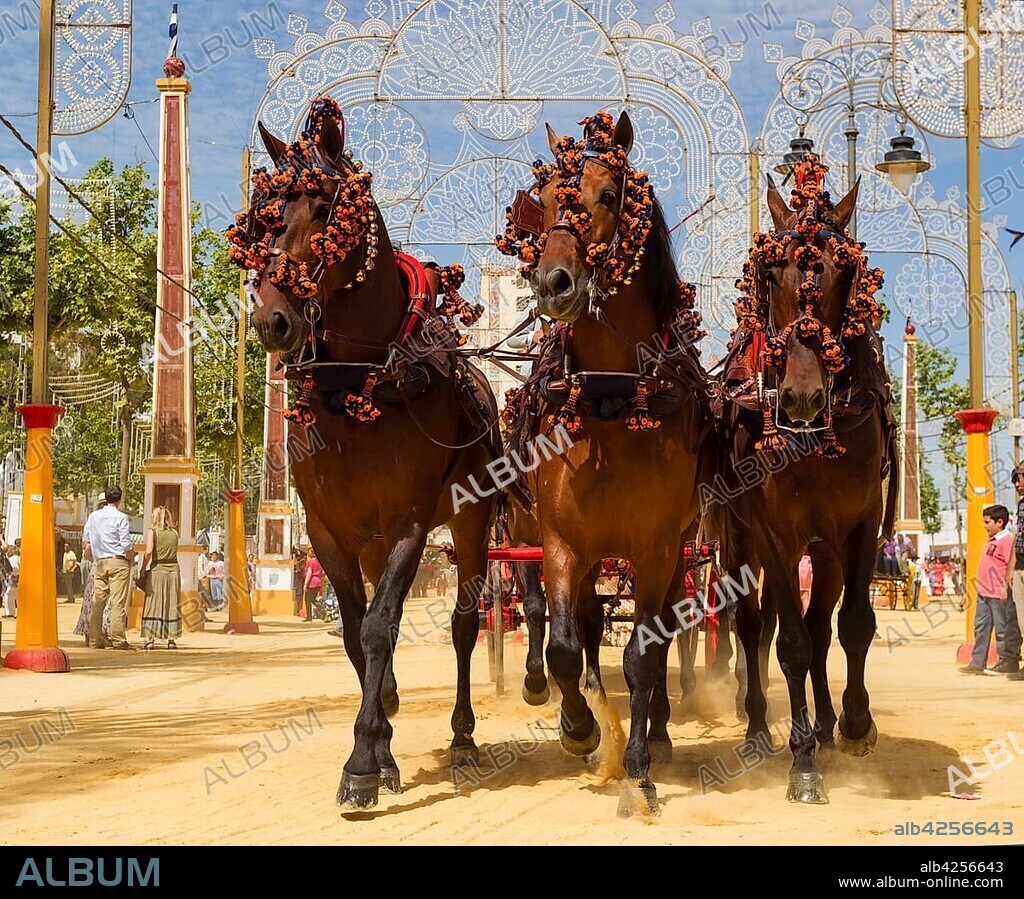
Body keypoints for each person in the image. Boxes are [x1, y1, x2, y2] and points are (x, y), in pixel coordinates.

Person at [960, 505, 1019, 675]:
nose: (985, 526)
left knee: (1002, 629)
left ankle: (1004, 661)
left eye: (987, 522)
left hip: (998, 594)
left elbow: (1010, 565)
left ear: (1000, 522)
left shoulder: (1007, 541)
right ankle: (978, 662)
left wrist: (1004, 587)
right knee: (981, 627)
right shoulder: (991, 540)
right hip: (983, 593)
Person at [82, 485, 134, 651]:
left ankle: (95, 640)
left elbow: (86, 541)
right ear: (119, 499)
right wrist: (131, 558)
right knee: (117, 602)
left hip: (100, 562)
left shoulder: (93, 517)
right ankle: (118, 639)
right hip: (118, 561)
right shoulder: (121, 517)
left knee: (98, 602)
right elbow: (125, 543)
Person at [139, 506, 182, 650]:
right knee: (172, 603)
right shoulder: (175, 533)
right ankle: (171, 640)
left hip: (158, 570)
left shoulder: (153, 532)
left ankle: (151, 639)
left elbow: (149, 551)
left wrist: (143, 567)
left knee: (154, 603)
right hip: (174, 571)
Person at [75, 499, 110, 645]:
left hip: (96, 564)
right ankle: (102, 633)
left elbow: (85, 545)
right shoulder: (112, 518)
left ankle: (89, 634)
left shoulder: (92, 519)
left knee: (91, 600)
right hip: (107, 561)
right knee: (106, 601)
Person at [1010, 467, 1024, 682]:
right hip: (1020, 567)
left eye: (1020, 479)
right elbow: (1018, 537)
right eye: (1015, 481)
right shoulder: (1021, 505)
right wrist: (1011, 569)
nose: (1017, 484)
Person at [302, 549, 323, 622]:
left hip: (312, 582)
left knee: (307, 599)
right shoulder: (318, 562)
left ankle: (309, 616)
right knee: (313, 599)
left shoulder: (311, 562)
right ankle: (324, 610)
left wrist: (305, 584)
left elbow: (309, 573)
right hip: (318, 581)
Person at [2, 543, 19, 618]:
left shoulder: (13, 559)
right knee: (16, 596)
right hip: (19, 579)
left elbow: (15, 569)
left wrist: (13, 577)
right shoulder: (19, 557)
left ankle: (10, 613)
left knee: (8, 595)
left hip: (15, 580)